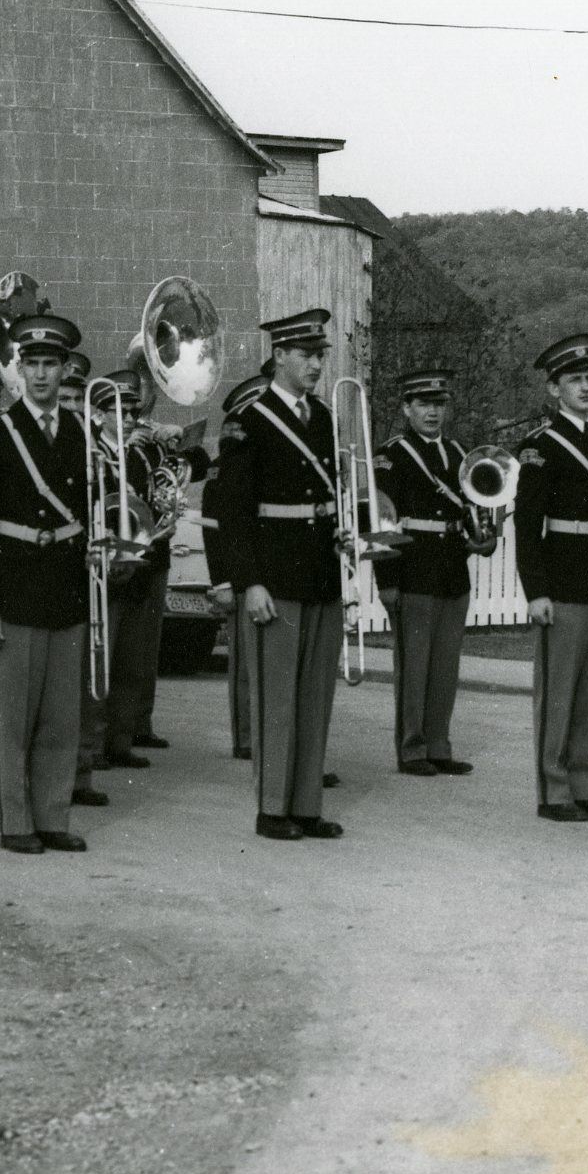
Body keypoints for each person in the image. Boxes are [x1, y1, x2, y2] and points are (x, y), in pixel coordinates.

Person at [0, 310, 97, 855]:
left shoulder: (81, 432)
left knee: (61, 717)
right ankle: (17, 823)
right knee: (14, 719)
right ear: (18, 369)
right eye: (32, 364)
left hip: (65, 588)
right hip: (12, 589)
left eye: (51, 365)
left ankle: (54, 816)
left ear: (64, 370)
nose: (41, 375)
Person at [209, 310, 349, 843]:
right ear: (281, 357)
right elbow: (233, 511)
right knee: (276, 699)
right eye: (306, 355)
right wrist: (251, 582)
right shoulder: (251, 419)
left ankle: (307, 805)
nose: (315, 365)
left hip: (319, 571)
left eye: (320, 356)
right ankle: (272, 808)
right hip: (275, 576)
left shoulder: (323, 418)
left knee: (315, 695)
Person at [516, 332, 588, 820]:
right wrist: (536, 591)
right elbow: (526, 525)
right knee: (559, 691)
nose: (585, 388)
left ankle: (587, 786)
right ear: (554, 390)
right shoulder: (541, 445)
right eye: (573, 380)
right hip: (562, 579)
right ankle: (554, 790)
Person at [373, 366, 478, 779]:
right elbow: (382, 521)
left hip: (453, 569)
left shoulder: (459, 453)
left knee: (445, 666)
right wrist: (387, 582)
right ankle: (412, 748)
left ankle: (439, 744)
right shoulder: (391, 454)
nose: (432, 412)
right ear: (406, 408)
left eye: (438, 404)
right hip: (412, 569)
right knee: (414, 666)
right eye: (423, 404)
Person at [85, 349, 179, 776]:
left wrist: (166, 508)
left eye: (131, 412)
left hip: (143, 563)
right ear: (100, 414)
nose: (125, 420)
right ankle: (94, 744)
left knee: (134, 658)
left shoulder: (142, 455)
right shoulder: (91, 454)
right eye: (116, 411)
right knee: (103, 654)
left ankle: (121, 740)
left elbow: (163, 496)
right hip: (108, 567)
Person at [202, 365, 270, 767]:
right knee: (246, 663)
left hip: (276, 569)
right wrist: (222, 580)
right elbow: (216, 527)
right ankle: (246, 737)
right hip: (244, 574)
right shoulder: (225, 464)